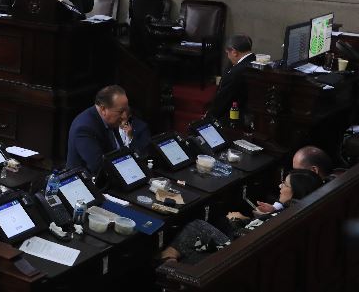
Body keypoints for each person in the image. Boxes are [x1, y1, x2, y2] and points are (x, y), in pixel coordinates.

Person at [158, 169, 324, 264]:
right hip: (245, 247)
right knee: (199, 231)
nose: (280, 186)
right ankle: (170, 261)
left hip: (238, 256)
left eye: (285, 184)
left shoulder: (284, 216)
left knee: (196, 226)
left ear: (297, 192)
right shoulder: (293, 211)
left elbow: (249, 235)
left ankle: (168, 266)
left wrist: (237, 220)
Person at [66, 85, 151, 175]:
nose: (125, 116)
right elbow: (99, 167)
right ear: (103, 109)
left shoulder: (110, 120)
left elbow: (119, 152)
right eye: (120, 112)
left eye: (126, 110)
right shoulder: (84, 128)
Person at [254, 146, 335, 214]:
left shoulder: (320, 199)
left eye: (298, 170)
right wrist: (275, 208)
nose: (294, 174)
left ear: (313, 170)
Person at [207, 34, 255, 120]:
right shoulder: (254, 62)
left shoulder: (235, 73)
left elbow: (222, 101)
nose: (228, 57)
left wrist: (209, 117)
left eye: (227, 53)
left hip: (235, 118)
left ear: (234, 52)